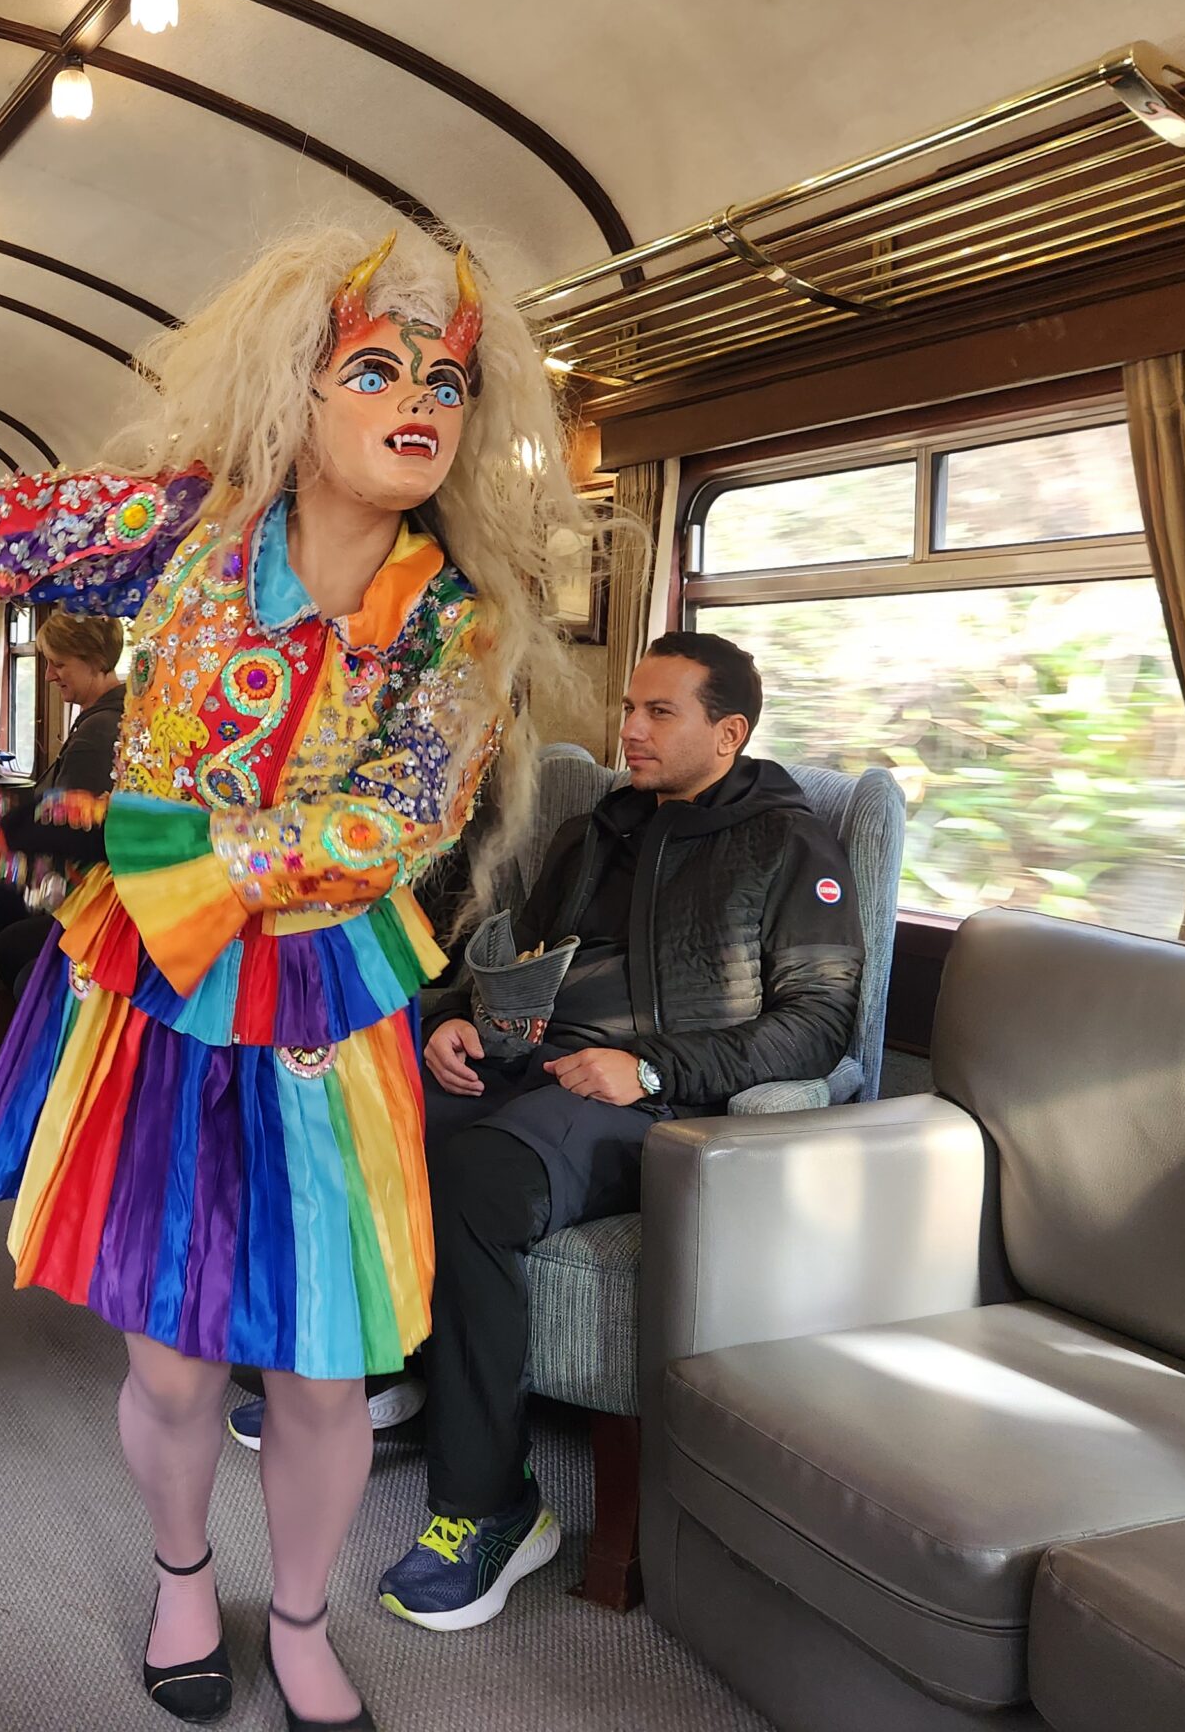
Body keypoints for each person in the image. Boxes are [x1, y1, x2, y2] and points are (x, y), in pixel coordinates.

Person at [0, 225, 592, 1730]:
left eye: (446, 383)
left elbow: (395, 824)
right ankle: (184, 1576)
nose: (419, 400)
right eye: (377, 369)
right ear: (299, 389)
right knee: (180, 1364)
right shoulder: (187, 526)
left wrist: (155, 838)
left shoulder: (458, 623)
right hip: (153, 1004)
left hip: (323, 1009)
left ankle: (307, 1618)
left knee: (322, 1373)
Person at [375, 632, 862, 1632]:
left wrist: (649, 1067)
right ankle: (382, 1375)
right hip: (536, 1061)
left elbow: (820, 1024)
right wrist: (457, 1019)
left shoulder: (787, 844)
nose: (628, 728)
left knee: (477, 1178)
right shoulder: (597, 828)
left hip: (659, 1102)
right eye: (630, 707)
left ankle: (492, 1510)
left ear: (727, 733)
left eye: (659, 713)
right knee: (363, 1116)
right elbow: (521, 962)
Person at [0, 610, 125, 1099]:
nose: (50, 675)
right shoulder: (104, 716)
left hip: (72, 889)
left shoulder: (99, 731)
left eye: (59, 664)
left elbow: (72, 830)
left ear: (94, 660)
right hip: (57, 876)